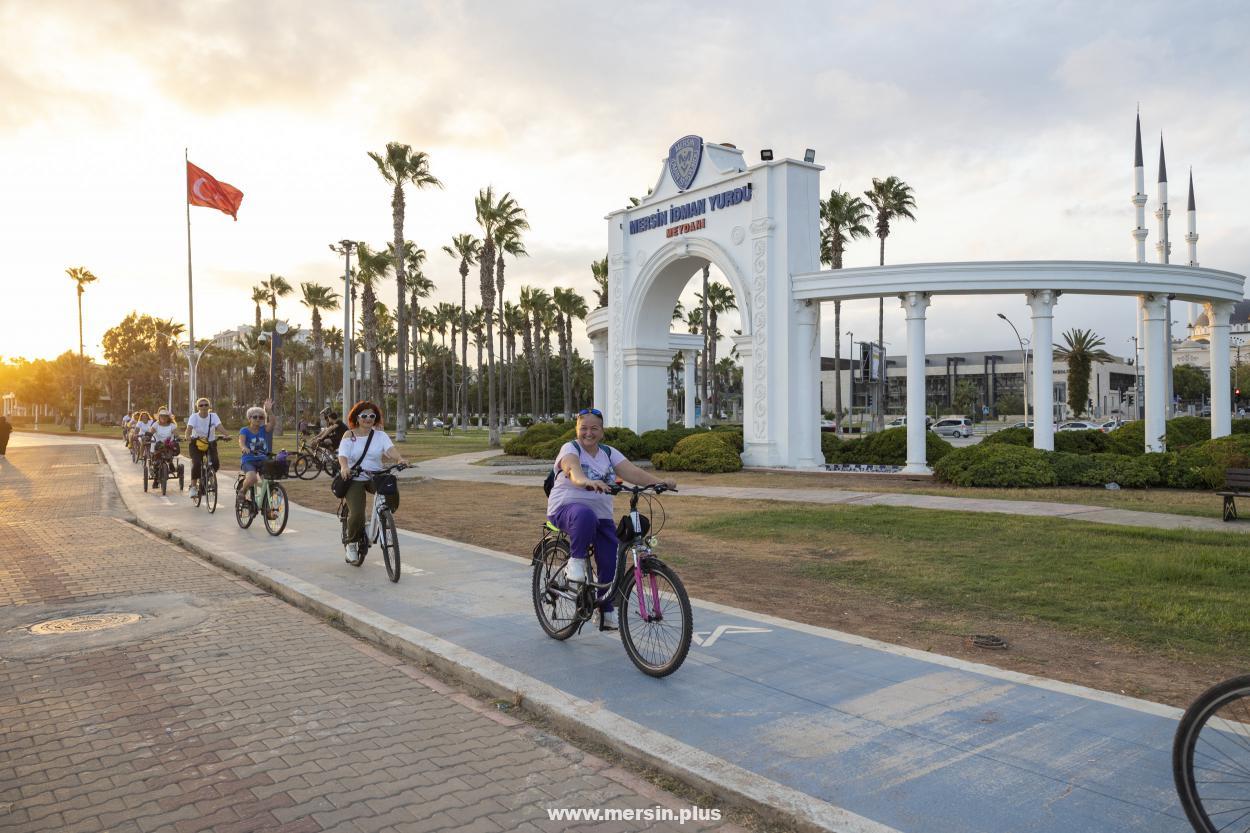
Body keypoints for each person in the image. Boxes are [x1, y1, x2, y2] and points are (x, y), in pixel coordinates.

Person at [546, 407, 676, 630]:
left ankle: (605, 609)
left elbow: (633, 473)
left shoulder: (608, 452)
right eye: (583, 428)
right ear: (576, 429)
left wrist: (658, 482)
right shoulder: (570, 448)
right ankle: (575, 564)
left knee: (612, 557)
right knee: (584, 515)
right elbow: (572, 470)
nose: (589, 433)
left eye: (594, 428)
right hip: (566, 510)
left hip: (601, 515)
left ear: (602, 431)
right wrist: (585, 481)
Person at [337, 400, 407, 564]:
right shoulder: (350, 435)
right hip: (355, 477)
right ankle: (351, 544)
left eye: (372, 416)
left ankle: (384, 515)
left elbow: (390, 450)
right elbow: (343, 455)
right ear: (357, 417)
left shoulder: (380, 435)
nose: (368, 419)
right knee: (358, 514)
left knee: (390, 487)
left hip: (375, 476)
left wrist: (400, 459)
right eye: (364, 415)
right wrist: (344, 467)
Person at [185, 398, 223, 498]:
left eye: (206, 405)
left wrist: (226, 435)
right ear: (198, 407)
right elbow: (188, 429)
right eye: (201, 405)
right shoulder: (194, 417)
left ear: (209, 406)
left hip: (210, 442)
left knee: (215, 463)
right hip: (196, 443)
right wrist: (188, 436)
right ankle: (193, 487)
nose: (204, 407)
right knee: (197, 463)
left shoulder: (213, 416)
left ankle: (208, 475)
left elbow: (220, 427)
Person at [237, 398, 275, 502]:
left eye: (261, 417)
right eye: (255, 417)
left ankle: (267, 506)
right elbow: (241, 442)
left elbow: (272, 422)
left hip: (263, 459)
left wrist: (269, 410)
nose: (258, 419)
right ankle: (242, 491)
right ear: (249, 419)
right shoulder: (244, 430)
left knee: (268, 482)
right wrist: (244, 447)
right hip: (249, 460)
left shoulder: (264, 429)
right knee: (252, 478)